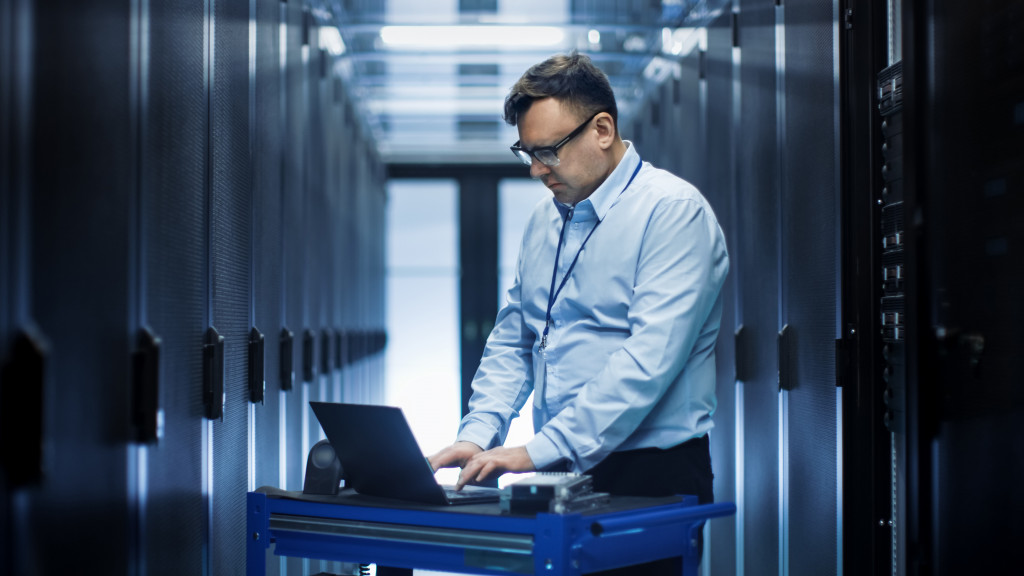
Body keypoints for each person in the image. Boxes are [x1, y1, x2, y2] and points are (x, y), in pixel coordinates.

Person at [428, 52, 729, 573]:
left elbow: (647, 363)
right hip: (564, 467)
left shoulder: (673, 214)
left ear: (603, 129)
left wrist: (537, 450)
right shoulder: (546, 222)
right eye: (527, 153)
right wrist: (478, 433)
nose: (537, 171)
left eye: (548, 152)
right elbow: (516, 339)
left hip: (649, 473)